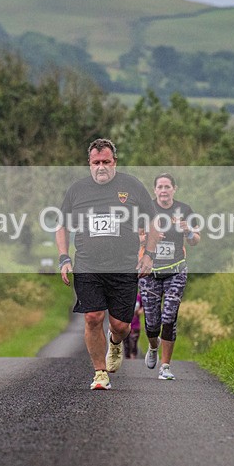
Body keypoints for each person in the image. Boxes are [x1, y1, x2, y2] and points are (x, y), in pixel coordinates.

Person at [56, 138, 160, 390]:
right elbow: (62, 226)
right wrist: (64, 258)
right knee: (93, 317)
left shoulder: (132, 186)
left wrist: (148, 255)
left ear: (115, 162)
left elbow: (153, 222)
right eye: (96, 162)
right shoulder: (77, 190)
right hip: (88, 265)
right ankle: (100, 373)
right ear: (89, 163)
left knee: (121, 326)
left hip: (124, 266)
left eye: (106, 162)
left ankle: (115, 342)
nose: (101, 167)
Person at [138, 173, 200, 380]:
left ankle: (165, 366)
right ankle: (153, 346)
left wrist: (188, 231)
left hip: (176, 270)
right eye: (160, 187)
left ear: (174, 189)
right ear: (154, 190)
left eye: (167, 187)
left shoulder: (184, 210)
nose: (163, 191)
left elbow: (195, 240)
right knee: (152, 322)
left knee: (169, 316)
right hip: (150, 271)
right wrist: (148, 237)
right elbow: (135, 236)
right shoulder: (146, 209)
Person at [123, 292, 143, 359]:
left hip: (135, 323)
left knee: (134, 341)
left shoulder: (138, 297)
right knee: (126, 342)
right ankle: (127, 357)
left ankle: (133, 356)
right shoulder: (124, 295)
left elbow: (143, 306)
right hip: (125, 323)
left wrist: (140, 311)